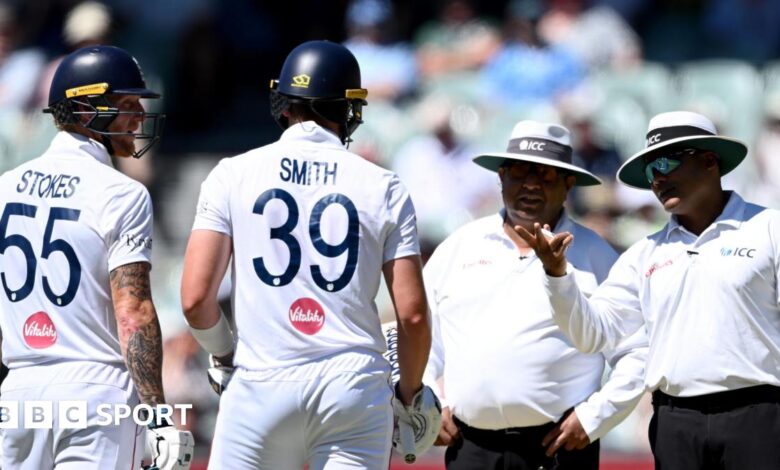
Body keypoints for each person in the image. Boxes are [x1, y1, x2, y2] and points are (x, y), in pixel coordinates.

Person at [180, 40, 435, 470]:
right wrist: (410, 393)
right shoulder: (383, 185)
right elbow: (410, 315)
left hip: (260, 383)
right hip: (351, 385)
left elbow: (194, 300)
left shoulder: (233, 173)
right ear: (347, 107)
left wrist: (225, 354)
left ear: (285, 102)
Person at [518, 110, 780, 470]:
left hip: (760, 417)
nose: (658, 178)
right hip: (676, 423)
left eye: (668, 161)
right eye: (651, 169)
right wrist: (557, 274)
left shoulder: (769, 229)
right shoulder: (643, 255)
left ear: (709, 161)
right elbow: (591, 334)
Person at [0, 45, 191, 469]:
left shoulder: (5, 185)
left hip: (18, 393)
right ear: (87, 110)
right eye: (126, 104)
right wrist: (158, 415)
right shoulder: (122, 193)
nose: (139, 115)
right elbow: (134, 312)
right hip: (96, 393)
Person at [423, 120, 647, 470]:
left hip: (558, 448)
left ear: (568, 183)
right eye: (518, 173)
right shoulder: (457, 247)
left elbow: (635, 350)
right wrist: (428, 404)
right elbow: (420, 336)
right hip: (471, 447)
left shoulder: (597, 255)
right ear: (500, 177)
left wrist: (593, 419)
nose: (530, 185)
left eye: (544, 175)